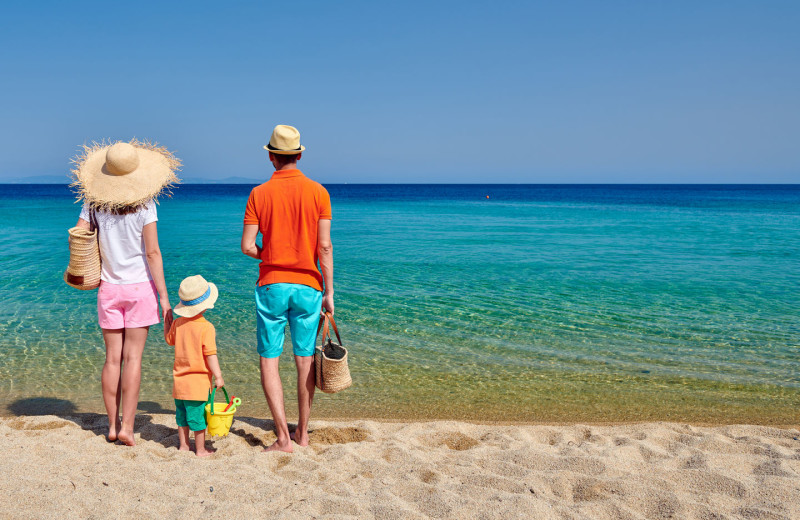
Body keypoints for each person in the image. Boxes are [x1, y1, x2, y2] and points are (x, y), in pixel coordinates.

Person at [71, 139, 180, 445]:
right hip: (140, 290)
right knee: (132, 360)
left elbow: (78, 235)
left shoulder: (93, 203)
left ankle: (110, 425)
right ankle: (128, 429)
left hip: (109, 288)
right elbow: (153, 253)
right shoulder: (146, 205)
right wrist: (165, 298)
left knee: (111, 360)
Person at [241, 124, 334, 453]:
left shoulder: (258, 194)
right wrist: (330, 291)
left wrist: (273, 253)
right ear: (298, 154)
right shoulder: (318, 192)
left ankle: (282, 437)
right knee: (305, 360)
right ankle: (303, 434)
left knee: (270, 360)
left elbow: (248, 246)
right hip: (309, 285)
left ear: (271, 156)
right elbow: (324, 248)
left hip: (272, 285)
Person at [164, 275, 224, 457]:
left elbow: (169, 340)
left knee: (182, 417)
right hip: (197, 385)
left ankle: (183, 446)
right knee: (198, 419)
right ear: (206, 305)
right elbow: (211, 355)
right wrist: (218, 376)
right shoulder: (207, 327)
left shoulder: (178, 324)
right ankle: (200, 449)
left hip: (179, 383)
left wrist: (167, 322)